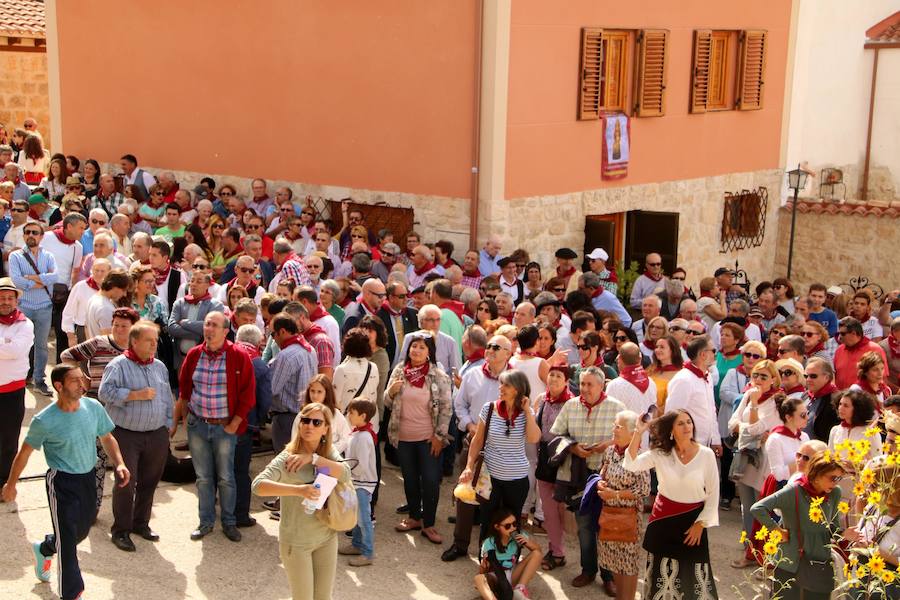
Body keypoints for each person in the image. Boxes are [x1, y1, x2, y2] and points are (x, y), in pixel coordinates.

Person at [1, 364, 130, 600]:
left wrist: (119, 462)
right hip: (61, 483)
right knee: (69, 543)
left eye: (82, 380)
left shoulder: (92, 407)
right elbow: (24, 453)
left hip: (88, 478)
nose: (82, 385)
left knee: (78, 533)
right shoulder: (44, 420)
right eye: (74, 381)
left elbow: (107, 437)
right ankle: (71, 593)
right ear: (59, 386)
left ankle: (45, 547)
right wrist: (11, 484)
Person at [252, 402, 350, 600]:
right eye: (305, 420)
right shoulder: (288, 457)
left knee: (323, 597)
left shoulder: (327, 452)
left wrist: (313, 459)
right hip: (297, 543)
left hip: (326, 537)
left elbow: (346, 473)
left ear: (325, 429)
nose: (309, 426)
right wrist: (298, 490)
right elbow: (258, 485)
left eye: (316, 422)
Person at [173, 311, 256, 543]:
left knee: (226, 477)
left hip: (225, 427)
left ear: (226, 330)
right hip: (198, 425)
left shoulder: (239, 356)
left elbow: (248, 395)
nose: (208, 329)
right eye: (207, 324)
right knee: (203, 478)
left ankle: (229, 522)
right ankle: (206, 522)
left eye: (214, 325)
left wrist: (235, 423)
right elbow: (184, 390)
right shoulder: (194, 354)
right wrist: (181, 420)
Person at [624, 410, 720, 599]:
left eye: (689, 422)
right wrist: (639, 431)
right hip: (663, 522)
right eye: (681, 424)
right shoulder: (661, 454)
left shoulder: (706, 455)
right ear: (671, 430)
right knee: (661, 576)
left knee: (693, 579)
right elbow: (631, 464)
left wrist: (700, 524)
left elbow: (713, 493)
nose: (687, 427)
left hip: (693, 524)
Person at [97, 321, 173, 552]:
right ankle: (120, 530)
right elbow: (104, 393)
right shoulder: (118, 365)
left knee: (149, 481)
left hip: (156, 434)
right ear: (135, 341)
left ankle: (141, 523)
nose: (154, 345)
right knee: (125, 483)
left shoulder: (159, 366)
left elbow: (167, 396)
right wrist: (134, 395)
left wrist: (168, 423)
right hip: (126, 434)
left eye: (155, 340)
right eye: (149, 340)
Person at [549, 366, 625, 591]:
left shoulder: (617, 408)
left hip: (607, 476)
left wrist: (607, 445)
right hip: (578, 475)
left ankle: (608, 575)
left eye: (590, 384)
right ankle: (588, 570)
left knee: (607, 526)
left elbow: (629, 439)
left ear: (602, 386)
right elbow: (556, 434)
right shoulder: (571, 406)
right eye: (582, 384)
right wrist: (573, 448)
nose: (584, 388)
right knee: (584, 526)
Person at [385, 332, 452, 544]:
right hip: (403, 436)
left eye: (422, 347)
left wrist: (439, 436)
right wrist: (391, 392)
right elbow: (386, 402)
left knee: (431, 480)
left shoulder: (439, 376)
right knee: (410, 478)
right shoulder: (399, 371)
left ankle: (429, 523)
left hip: (428, 438)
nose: (416, 350)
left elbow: (446, 409)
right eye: (414, 346)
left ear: (429, 352)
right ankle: (414, 517)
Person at [750, 453, 846, 600]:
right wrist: (777, 530)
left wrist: (845, 534)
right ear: (817, 474)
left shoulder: (835, 493)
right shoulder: (794, 491)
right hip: (790, 561)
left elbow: (833, 529)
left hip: (820, 562)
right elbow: (758, 508)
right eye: (833, 478)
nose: (836, 483)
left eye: (839, 478)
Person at [727, 359, 783, 567]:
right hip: (745, 457)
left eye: (764, 376)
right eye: (755, 375)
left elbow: (756, 428)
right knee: (746, 506)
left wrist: (750, 425)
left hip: (763, 460)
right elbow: (733, 423)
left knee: (762, 507)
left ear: (773, 380)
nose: (758, 380)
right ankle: (749, 549)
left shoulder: (777, 402)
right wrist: (752, 431)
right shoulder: (749, 395)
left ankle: (763, 554)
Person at [596, 410, 651, 600]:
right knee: (614, 561)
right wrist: (600, 482)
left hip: (628, 517)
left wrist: (616, 494)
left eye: (618, 426)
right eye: (614, 425)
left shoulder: (639, 456)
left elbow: (644, 489)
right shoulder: (610, 451)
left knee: (628, 563)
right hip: (608, 515)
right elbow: (602, 472)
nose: (614, 429)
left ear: (631, 431)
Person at [9, 221, 57, 396]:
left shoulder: (49, 256)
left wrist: (29, 278)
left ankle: (39, 380)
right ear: (23, 235)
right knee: (21, 345)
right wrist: (38, 281)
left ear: (41, 236)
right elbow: (16, 280)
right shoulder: (16, 256)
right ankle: (20, 378)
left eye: (35, 232)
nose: (31, 235)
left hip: (44, 307)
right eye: (28, 232)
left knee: (41, 346)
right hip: (24, 308)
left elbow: (55, 276)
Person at [232, 323, 271, 528]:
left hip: (220, 420)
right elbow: (265, 399)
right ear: (257, 343)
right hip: (245, 423)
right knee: (240, 470)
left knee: (219, 468)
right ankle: (240, 514)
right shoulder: (259, 364)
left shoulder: (225, 355)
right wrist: (260, 419)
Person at [0, 277, 34, 487]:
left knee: (8, 440)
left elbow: (15, 351)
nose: (5, 302)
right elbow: (9, 349)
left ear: (16, 301)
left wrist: (8, 346)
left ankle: (4, 481)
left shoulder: (25, 324)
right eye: (1, 298)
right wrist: (6, 343)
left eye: (9, 298)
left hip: (12, 392)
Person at [268, 313, 318, 454]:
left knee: (285, 463)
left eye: (273, 334)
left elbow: (272, 389)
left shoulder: (286, 355)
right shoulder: (309, 349)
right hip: (306, 414)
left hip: (287, 418)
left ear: (282, 332)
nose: (273, 339)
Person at [338, 398, 379, 567]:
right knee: (356, 516)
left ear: (363, 416)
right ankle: (356, 544)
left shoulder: (363, 437)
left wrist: (344, 472)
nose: (348, 415)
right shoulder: (357, 433)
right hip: (356, 482)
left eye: (351, 412)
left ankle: (368, 553)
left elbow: (360, 465)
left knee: (364, 519)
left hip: (362, 483)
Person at [665, 335, 722, 452]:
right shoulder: (683, 380)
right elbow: (672, 414)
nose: (715, 354)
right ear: (703, 354)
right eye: (713, 351)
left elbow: (712, 410)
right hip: (688, 445)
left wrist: (716, 439)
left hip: (706, 445)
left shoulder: (708, 376)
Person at [474, 508, 542, 600]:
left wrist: (527, 542)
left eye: (514, 524)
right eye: (507, 526)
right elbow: (483, 572)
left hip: (511, 574)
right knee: (478, 578)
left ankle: (520, 590)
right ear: (497, 527)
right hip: (495, 577)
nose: (512, 528)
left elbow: (538, 551)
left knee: (536, 554)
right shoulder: (489, 543)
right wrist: (483, 567)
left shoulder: (519, 535)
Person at [167, 272, 225, 368]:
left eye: (199, 281)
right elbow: (172, 327)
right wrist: (199, 334)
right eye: (192, 281)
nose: (193, 284)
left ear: (207, 285)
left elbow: (212, 329)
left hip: (204, 359)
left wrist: (185, 323)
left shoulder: (215, 305)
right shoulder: (180, 303)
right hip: (180, 358)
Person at [333, 327, 380, 416]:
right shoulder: (373, 367)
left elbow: (335, 400)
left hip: (348, 422)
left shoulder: (341, 370)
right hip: (369, 421)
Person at [834, 317, 887, 390]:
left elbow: (883, 378)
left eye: (842, 334)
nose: (839, 337)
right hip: (842, 399)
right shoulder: (839, 350)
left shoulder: (875, 349)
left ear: (853, 333)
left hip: (865, 398)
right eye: (838, 333)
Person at [606, 341, 658, 416]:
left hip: (624, 427)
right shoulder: (652, 383)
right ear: (640, 358)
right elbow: (654, 412)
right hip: (646, 427)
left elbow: (609, 414)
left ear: (619, 359)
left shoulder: (614, 385)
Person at [377, 280, 419, 369]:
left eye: (407, 295)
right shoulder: (378, 316)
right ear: (391, 297)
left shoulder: (412, 314)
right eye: (401, 296)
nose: (406, 299)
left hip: (408, 368)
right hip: (387, 368)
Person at [802, 357, 841, 442]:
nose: (808, 379)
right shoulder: (805, 395)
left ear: (826, 377)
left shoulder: (836, 400)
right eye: (806, 376)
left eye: (813, 376)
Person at [84, 269, 130, 338]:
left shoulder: (93, 299)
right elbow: (108, 340)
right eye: (123, 290)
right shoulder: (105, 308)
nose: (125, 294)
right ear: (114, 287)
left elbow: (86, 329)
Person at [647, 335, 683, 411]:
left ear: (672, 351)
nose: (657, 350)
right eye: (657, 347)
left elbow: (672, 404)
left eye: (662, 347)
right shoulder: (650, 369)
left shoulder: (679, 374)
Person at [879, 317, 900, 393]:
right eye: (897, 330)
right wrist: (897, 390)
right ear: (893, 332)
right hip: (891, 390)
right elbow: (881, 375)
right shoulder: (882, 347)